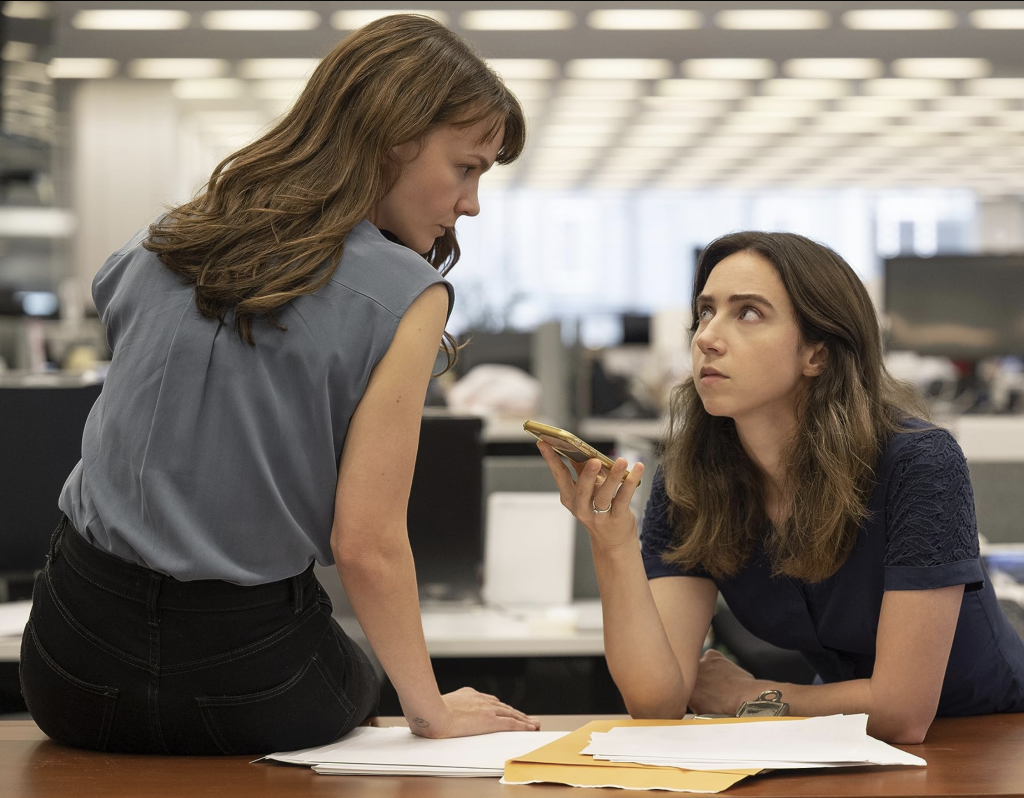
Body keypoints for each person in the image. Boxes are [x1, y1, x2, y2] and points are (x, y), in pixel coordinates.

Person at [20, 14, 539, 755]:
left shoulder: (163, 240)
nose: (472, 202)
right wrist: (431, 713)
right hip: (247, 676)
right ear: (395, 137)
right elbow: (365, 544)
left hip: (69, 665)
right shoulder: (406, 291)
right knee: (354, 680)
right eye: (468, 166)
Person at [538, 231, 1024, 744]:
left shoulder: (918, 462)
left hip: (984, 737)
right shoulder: (693, 475)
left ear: (817, 353)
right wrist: (612, 543)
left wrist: (749, 698)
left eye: (748, 312)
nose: (706, 337)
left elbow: (902, 713)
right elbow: (658, 699)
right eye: (705, 312)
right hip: (835, 736)